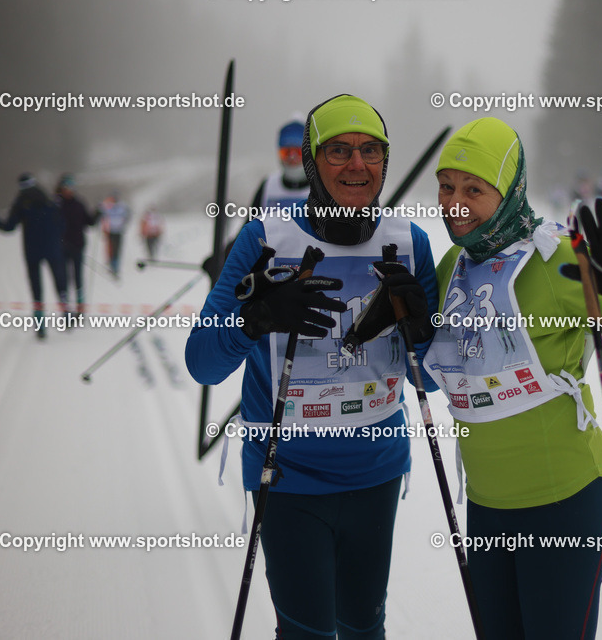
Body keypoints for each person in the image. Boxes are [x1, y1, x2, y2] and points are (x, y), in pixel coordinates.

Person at [185, 94, 438, 639]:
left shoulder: (409, 243)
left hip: (376, 473)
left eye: (371, 150)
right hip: (288, 478)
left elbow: (434, 377)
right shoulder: (263, 240)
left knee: (364, 627)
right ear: (310, 162)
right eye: (339, 151)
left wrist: (421, 332)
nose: (357, 164)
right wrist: (255, 321)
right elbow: (203, 362)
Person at [419, 117, 602, 639]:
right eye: (446, 188)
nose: (455, 202)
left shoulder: (557, 257)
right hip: (487, 509)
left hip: (563, 502)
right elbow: (434, 378)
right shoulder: (452, 267)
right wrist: (403, 329)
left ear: (509, 191)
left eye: (474, 189)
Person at [0, 173, 68, 339]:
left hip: (32, 251)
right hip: (53, 248)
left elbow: (9, 227)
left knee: (37, 288)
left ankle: (41, 326)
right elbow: (62, 224)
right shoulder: (49, 199)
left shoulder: (21, 202)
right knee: (59, 281)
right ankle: (67, 314)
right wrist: (57, 238)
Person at [55, 174, 100, 314]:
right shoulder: (55, 204)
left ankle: (80, 309)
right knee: (63, 278)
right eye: (67, 187)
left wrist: (98, 213)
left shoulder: (79, 203)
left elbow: (89, 222)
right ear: (61, 188)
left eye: (72, 187)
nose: (69, 190)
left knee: (78, 278)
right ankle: (66, 310)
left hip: (77, 246)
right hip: (60, 247)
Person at [252, 116, 310, 212]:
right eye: (286, 153)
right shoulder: (268, 186)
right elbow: (250, 224)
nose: (292, 158)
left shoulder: (322, 187)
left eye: (298, 152)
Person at [100, 192, 131, 278]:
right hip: (110, 231)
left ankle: (116, 267)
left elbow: (127, 216)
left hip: (118, 231)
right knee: (110, 249)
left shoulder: (122, 206)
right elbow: (102, 215)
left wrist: (124, 223)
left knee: (117, 250)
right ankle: (111, 265)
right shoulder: (107, 206)